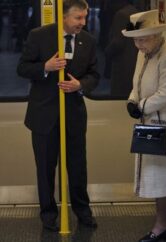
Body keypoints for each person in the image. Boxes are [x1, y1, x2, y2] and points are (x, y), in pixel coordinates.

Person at [17, 0, 99, 232]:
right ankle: (48, 213)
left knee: (77, 166)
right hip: (43, 114)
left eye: (84, 17)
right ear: (63, 17)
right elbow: (22, 68)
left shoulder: (88, 41)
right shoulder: (39, 36)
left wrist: (80, 85)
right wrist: (46, 67)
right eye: (77, 18)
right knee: (45, 167)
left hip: (73, 114)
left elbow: (94, 74)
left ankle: (82, 210)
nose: (82, 23)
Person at [122, 9, 166, 242]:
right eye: (136, 40)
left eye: (142, 40)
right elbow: (137, 82)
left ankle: (161, 225)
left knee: (162, 176)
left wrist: (140, 106)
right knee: (162, 175)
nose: (138, 45)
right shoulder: (144, 53)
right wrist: (132, 100)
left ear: (155, 36)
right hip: (151, 123)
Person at [104, 0, 138, 98]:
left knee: (119, 95)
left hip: (122, 63)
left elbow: (118, 42)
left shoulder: (121, 15)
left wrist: (107, 51)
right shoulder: (135, 11)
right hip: (133, 61)